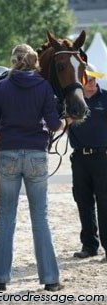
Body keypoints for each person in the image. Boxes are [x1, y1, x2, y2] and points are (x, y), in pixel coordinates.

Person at [0, 44, 72, 291]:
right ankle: (51, 280)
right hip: (36, 155)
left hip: (8, 154)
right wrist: (67, 119)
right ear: (35, 62)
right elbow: (54, 125)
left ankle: (0, 278)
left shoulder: (0, 87)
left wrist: (6, 141)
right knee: (40, 218)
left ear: (12, 61)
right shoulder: (43, 87)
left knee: (7, 218)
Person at [69, 64, 107, 260]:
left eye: (93, 79)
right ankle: (89, 245)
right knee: (83, 201)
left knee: (105, 202)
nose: (91, 83)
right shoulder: (73, 103)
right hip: (80, 157)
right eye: (87, 80)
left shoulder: (106, 97)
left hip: (103, 157)